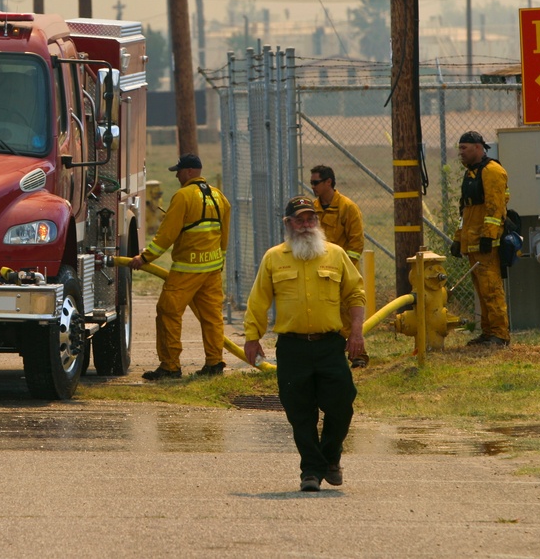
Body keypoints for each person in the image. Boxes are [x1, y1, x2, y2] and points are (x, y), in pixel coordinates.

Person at [243, 196, 365, 493]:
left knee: (341, 405)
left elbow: (356, 295)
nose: (306, 225)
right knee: (299, 412)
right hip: (293, 348)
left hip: (329, 346)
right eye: (299, 220)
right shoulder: (274, 257)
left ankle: (330, 457)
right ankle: (311, 470)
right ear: (288, 224)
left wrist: (357, 334)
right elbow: (259, 300)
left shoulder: (335, 255)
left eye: (311, 219)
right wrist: (251, 337)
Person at [130, 153, 231, 380]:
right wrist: (219, 261)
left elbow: (166, 235)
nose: (176, 176)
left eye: (178, 171)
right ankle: (214, 364)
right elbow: (224, 235)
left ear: (189, 172)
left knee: (168, 312)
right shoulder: (219, 196)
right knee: (212, 317)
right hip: (212, 270)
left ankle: (170, 367)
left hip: (187, 269)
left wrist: (145, 258)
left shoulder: (183, 196)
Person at [449, 130, 510, 347]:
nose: (460, 153)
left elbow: (495, 207)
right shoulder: (471, 173)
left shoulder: (492, 171)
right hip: (472, 242)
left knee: (492, 290)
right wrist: (458, 239)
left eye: (464, 148)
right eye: (459, 148)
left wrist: (488, 236)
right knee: (482, 291)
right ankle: (487, 333)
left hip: (487, 244)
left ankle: (500, 334)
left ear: (477, 147)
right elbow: (464, 211)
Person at [310, 164, 369, 368]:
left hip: (344, 271)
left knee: (348, 312)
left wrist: (344, 268)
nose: (313, 187)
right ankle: (330, 355)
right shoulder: (313, 209)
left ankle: (358, 355)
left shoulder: (347, 208)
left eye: (316, 182)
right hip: (319, 273)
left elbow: (356, 244)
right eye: (311, 183)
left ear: (329, 182)